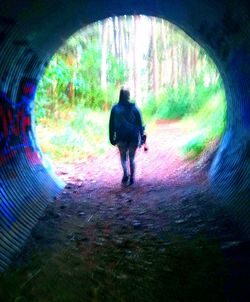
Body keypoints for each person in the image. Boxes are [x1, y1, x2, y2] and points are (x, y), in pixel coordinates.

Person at [109, 88, 144, 185]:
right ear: (128, 96)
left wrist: (111, 138)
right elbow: (140, 125)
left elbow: (111, 124)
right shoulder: (134, 108)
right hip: (133, 136)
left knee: (123, 157)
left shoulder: (115, 108)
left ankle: (125, 174)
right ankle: (132, 178)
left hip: (120, 136)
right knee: (132, 158)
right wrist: (142, 138)